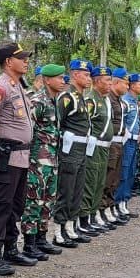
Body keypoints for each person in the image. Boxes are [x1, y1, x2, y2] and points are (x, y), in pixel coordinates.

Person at [0, 42, 36, 277]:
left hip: (22, 157)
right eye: (21, 58)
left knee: (16, 206)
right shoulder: (1, 87)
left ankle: (11, 249)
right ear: (8, 62)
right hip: (7, 157)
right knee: (1, 206)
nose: (26, 61)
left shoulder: (18, 86)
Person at [22, 64, 65, 259]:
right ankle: (29, 243)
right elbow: (28, 130)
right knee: (34, 200)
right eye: (59, 77)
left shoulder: (54, 101)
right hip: (37, 159)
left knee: (48, 200)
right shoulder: (37, 101)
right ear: (47, 80)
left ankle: (41, 238)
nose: (63, 81)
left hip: (52, 158)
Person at [51, 59, 93, 247]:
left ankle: (70, 227)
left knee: (77, 190)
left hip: (81, 148)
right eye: (85, 75)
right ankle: (58, 230)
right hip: (69, 149)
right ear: (75, 75)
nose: (89, 78)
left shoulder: (80, 96)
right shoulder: (67, 97)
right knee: (66, 190)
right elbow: (56, 123)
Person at [80, 65, 113, 235]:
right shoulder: (91, 100)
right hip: (93, 146)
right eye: (107, 80)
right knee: (90, 183)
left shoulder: (104, 100)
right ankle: (84, 219)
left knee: (100, 183)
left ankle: (92, 216)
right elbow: (86, 124)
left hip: (104, 148)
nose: (110, 83)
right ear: (97, 81)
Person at [101, 67, 129, 225]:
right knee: (107, 178)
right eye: (125, 83)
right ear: (116, 83)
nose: (127, 87)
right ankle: (101, 210)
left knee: (114, 179)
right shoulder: (108, 100)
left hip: (119, 142)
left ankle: (109, 207)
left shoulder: (118, 100)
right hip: (110, 143)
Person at [114, 72, 140, 218]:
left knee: (131, 172)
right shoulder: (125, 101)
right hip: (125, 141)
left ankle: (124, 202)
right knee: (123, 173)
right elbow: (121, 122)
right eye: (139, 84)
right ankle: (117, 203)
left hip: (133, 142)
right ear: (132, 85)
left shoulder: (134, 101)